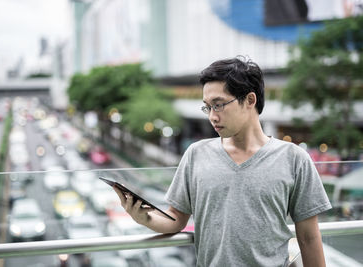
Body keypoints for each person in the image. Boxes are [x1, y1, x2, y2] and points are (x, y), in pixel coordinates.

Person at [113, 56, 332, 267]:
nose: (212, 116)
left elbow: (309, 238)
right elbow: (177, 218)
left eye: (218, 105)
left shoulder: (294, 159)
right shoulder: (196, 154)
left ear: (250, 100)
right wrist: (144, 218)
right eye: (207, 107)